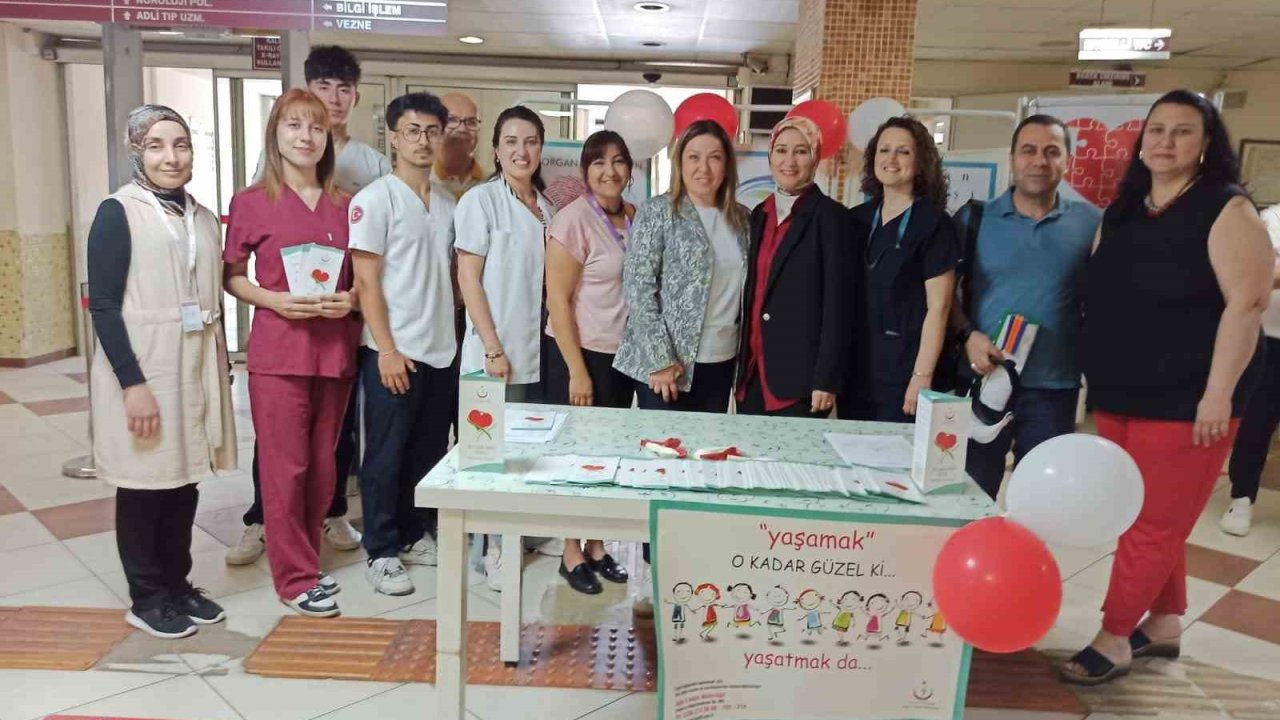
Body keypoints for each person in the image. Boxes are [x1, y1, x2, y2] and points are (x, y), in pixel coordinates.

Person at [1064, 90, 1271, 685]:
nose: (1165, 141)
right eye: (1156, 130)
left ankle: (1114, 637)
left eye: (1182, 131)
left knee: (1153, 521)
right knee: (1140, 512)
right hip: (1121, 390)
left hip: (1189, 399)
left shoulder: (1226, 208)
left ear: (1206, 144)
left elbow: (1248, 303)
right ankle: (1162, 623)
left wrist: (1218, 394)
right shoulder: (1125, 209)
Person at [227, 45, 382, 567]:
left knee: (322, 465)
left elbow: (363, 279)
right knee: (284, 466)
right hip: (279, 352)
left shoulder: (347, 205)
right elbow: (233, 276)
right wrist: (273, 299)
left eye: (315, 128)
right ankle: (293, 574)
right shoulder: (251, 201)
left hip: (333, 352)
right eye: (294, 125)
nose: (306, 136)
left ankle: (308, 555)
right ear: (275, 133)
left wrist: (352, 299)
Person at [87, 105, 237, 639]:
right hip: (146, 368)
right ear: (137, 151)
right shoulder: (117, 212)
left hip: (193, 366)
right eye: (155, 145)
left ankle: (177, 584)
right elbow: (104, 305)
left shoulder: (202, 216)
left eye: (180, 144)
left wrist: (220, 366)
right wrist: (133, 385)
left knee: (184, 478)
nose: (170, 157)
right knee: (145, 483)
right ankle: (146, 596)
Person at [950, 115, 1102, 499]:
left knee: (1041, 499)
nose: (1039, 161)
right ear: (1012, 158)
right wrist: (967, 335)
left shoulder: (1091, 223)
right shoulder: (974, 219)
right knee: (971, 495)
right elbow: (942, 295)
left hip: (1054, 388)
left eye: (1052, 152)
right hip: (985, 381)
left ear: (1067, 160)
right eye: (1028, 150)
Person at [350, 92, 457, 596]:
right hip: (393, 351)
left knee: (428, 452)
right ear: (393, 138)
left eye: (432, 131)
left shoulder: (449, 203)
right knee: (385, 456)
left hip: (441, 348)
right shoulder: (375, 200)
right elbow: (366, 281)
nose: (423, 140)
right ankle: (381, 548)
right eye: (412, 131)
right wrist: (387, 349)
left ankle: (413, 534)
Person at [454, 105, 557, 590]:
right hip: (497, 351)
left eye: (531, 141)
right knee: (488, 452)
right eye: (511, 141)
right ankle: (492, 547)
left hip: (540, 351)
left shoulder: (547, 207)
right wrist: (493, 348)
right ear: (495, 150)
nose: (522, 150)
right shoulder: (481, 202)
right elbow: (468, 279)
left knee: (527, 447)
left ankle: (522, 532)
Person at [544, 130, 637, 595]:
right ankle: (570, 552)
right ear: (585, 171)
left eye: (618, 161)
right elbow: (557, 301)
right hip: (581, 356)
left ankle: (597, 546)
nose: (609, 171)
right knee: (576, 459)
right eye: (599, 162)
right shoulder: (572, 220)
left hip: (623, 356)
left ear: (630, 170)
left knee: (608, 457)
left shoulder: (635, 216)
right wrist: (577, 370)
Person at [614, 119, 749, 413]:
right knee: (664, 442)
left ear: (727, 166)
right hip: (667, 366)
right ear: (680, 163)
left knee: (707, 442)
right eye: (694, 157)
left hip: (721, 360)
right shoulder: (657, 212)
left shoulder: (742, 219)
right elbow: (638, 289)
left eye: (714, 158)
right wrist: (660, 359)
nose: (704, 168)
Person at [843, 117, 958, 422]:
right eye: (884, 150)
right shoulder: (856, 219)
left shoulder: (934, 223)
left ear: (920, 164)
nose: (891, 159)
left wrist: (922, 376)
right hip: (857, 370)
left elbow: (940, 307)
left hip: (906, 371)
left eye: (903, 152)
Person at [736, 116, 851, 418]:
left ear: (815, 158)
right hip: (752, 374)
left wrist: (826, 377)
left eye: (800, 151)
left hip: (801, 380)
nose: (789, 161)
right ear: (770, 155)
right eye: (781, 150)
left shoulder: (832, 218)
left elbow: (838, 305)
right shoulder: (759, 214)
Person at [1220, 202, 1280, 536]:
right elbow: (1256, 277)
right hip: (1270, 339)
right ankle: (1242, 497)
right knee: (1257, 422)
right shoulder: (1272, 220)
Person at [433, 92, 488, 201]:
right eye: (452, 120)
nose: (462, 129)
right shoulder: (421, 181)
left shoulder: (491, 182)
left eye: (471, 122)